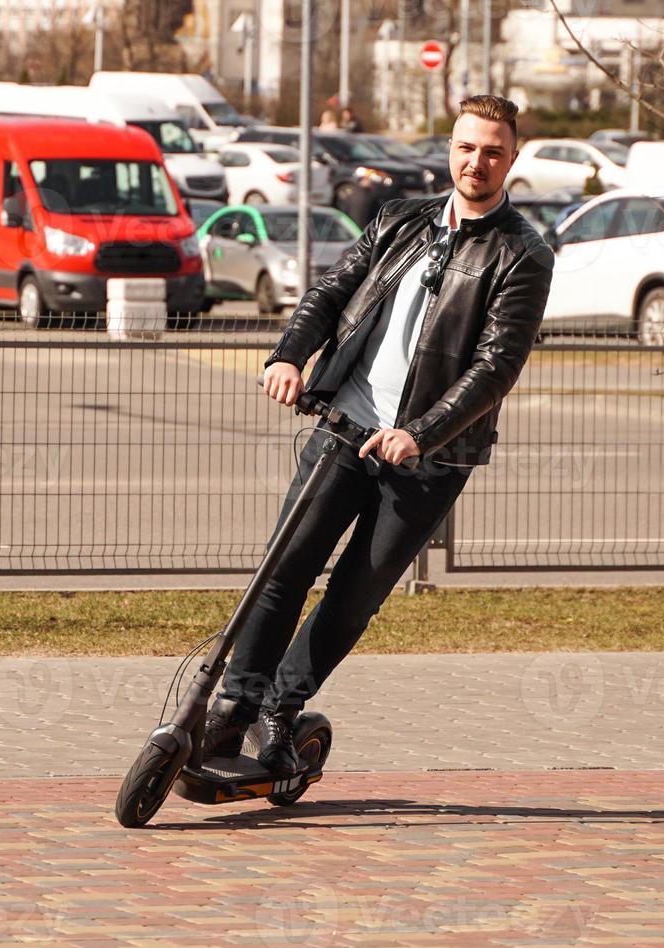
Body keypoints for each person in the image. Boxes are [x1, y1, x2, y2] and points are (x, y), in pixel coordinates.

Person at [204, 95, 555, 773]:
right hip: (344, 429)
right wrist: (287, 354)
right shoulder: (401, 220)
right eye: (465, 146)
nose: (475, 161)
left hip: (430, 460)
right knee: (283, 570)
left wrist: (419, 434)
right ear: (449, 149)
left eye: (491, 151)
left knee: (352, 597)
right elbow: (330, 293)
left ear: (511, 159)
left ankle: (280, 708)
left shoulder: (522, 253)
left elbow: (495, 367)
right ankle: (230, 709)